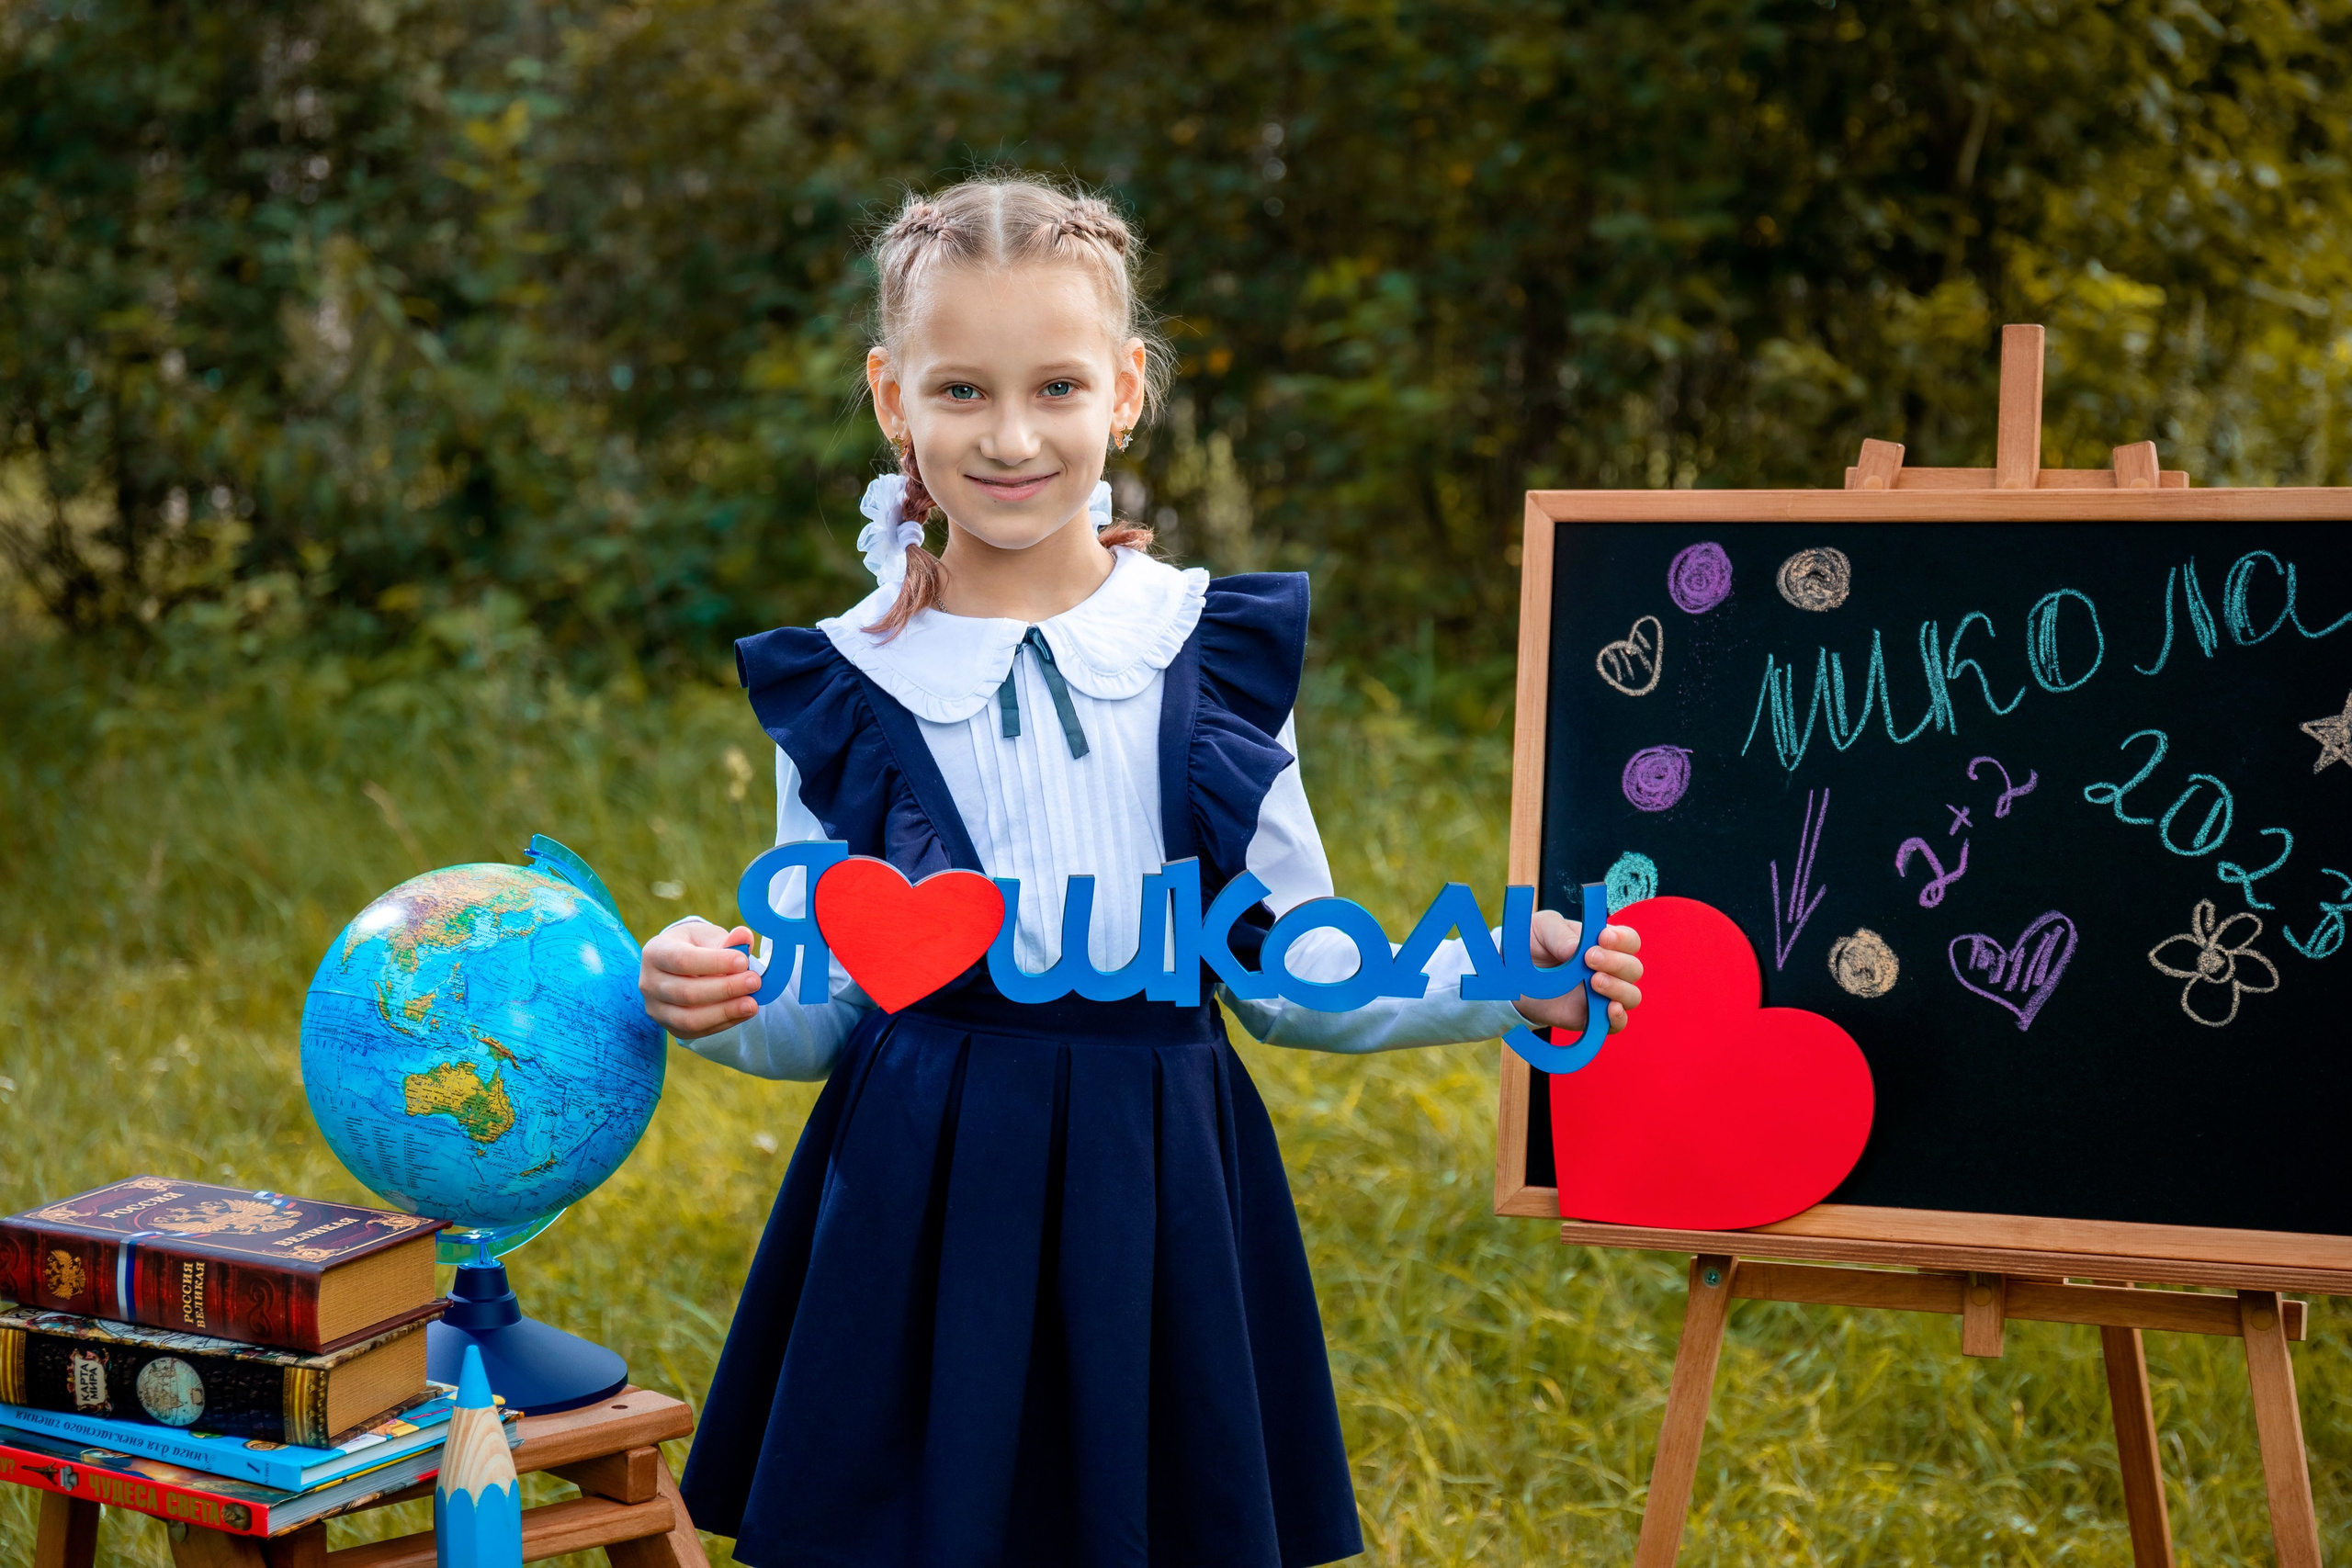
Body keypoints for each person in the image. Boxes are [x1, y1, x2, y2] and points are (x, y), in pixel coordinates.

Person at [638, 174, 1644, 1568]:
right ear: (892, 401)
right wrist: (716, 993)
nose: (1008, 436)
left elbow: (1290, 972)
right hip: (925, 1194)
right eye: (960, 392)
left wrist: (1500, 984)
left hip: (1159, 1184)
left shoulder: (1205, 649)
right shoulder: (849, 678)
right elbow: (823, 1004)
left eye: (1054, 387)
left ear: (1124, 392)